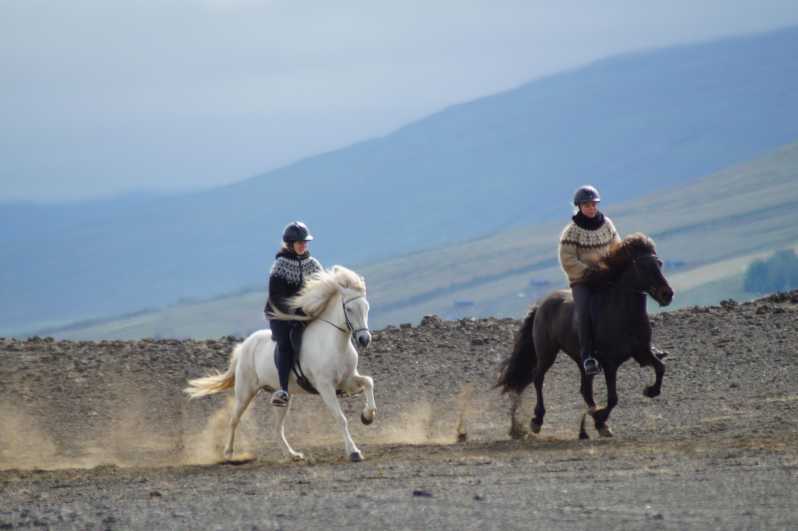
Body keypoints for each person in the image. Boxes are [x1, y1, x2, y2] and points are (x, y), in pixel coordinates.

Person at [558, 185, 622, 376]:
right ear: (579, 207)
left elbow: (617, 247)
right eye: (587, 205)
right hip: (583, 281)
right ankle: (588, 357)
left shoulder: (607, 224)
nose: (591, 208)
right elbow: (567, 259)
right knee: (584, 312)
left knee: (631, 299)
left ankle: (644, 345)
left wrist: (615, 268)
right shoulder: (571, 232)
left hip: (606, 277)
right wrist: (588, 272)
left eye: (593, 204)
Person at [264, 221, 323, 406]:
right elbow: (276, 297)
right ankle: (282, 390)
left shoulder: (313, 264)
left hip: (306, 314)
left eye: (305, 242)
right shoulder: (280, 265)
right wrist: (294, 313)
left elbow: (323, 288)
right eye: (299, 242)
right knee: (285, 343)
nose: (303, 245)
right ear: (290, 244)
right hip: (280, 315)